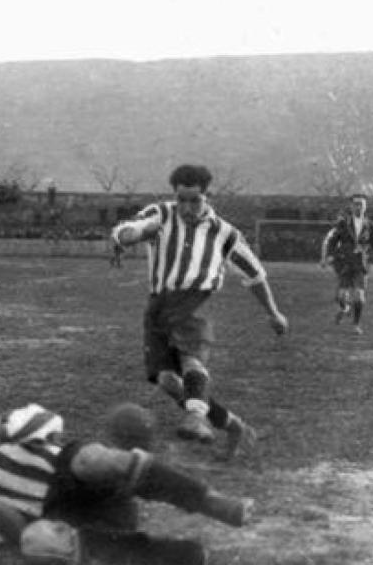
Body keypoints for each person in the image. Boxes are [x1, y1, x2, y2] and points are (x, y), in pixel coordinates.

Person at [0, 397, 252, 565]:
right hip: (69, 517)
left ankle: (209, 501)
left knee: (92, 458)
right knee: (40, 541)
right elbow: (17, 533)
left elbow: (47, 421)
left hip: (70, 470)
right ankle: (175, 555)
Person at [111, 164, 288, 458]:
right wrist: (127, 235)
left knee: (191, 360)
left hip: (198, 302)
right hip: (158, 306)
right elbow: (131, 228)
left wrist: (273, 312)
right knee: (167, 380)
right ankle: (233, 426)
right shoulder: (161, 214)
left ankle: (195, 418)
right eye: (181, 199)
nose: (187, 207)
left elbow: (255, 274)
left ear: (207, 197)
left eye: (195, 200)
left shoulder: (225, 233)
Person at [319, 194, 373, 335]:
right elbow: (333, 240)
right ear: (351, 206)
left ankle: (356, 324)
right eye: (356, 204)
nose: (359, 207)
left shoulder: (369, 225)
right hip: (344, 263)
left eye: (361, 204)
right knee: (340, 296)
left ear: (365, 207)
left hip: (360, 264)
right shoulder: (343, 223)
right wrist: (329, 256)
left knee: (359, 295)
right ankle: (345, 309)